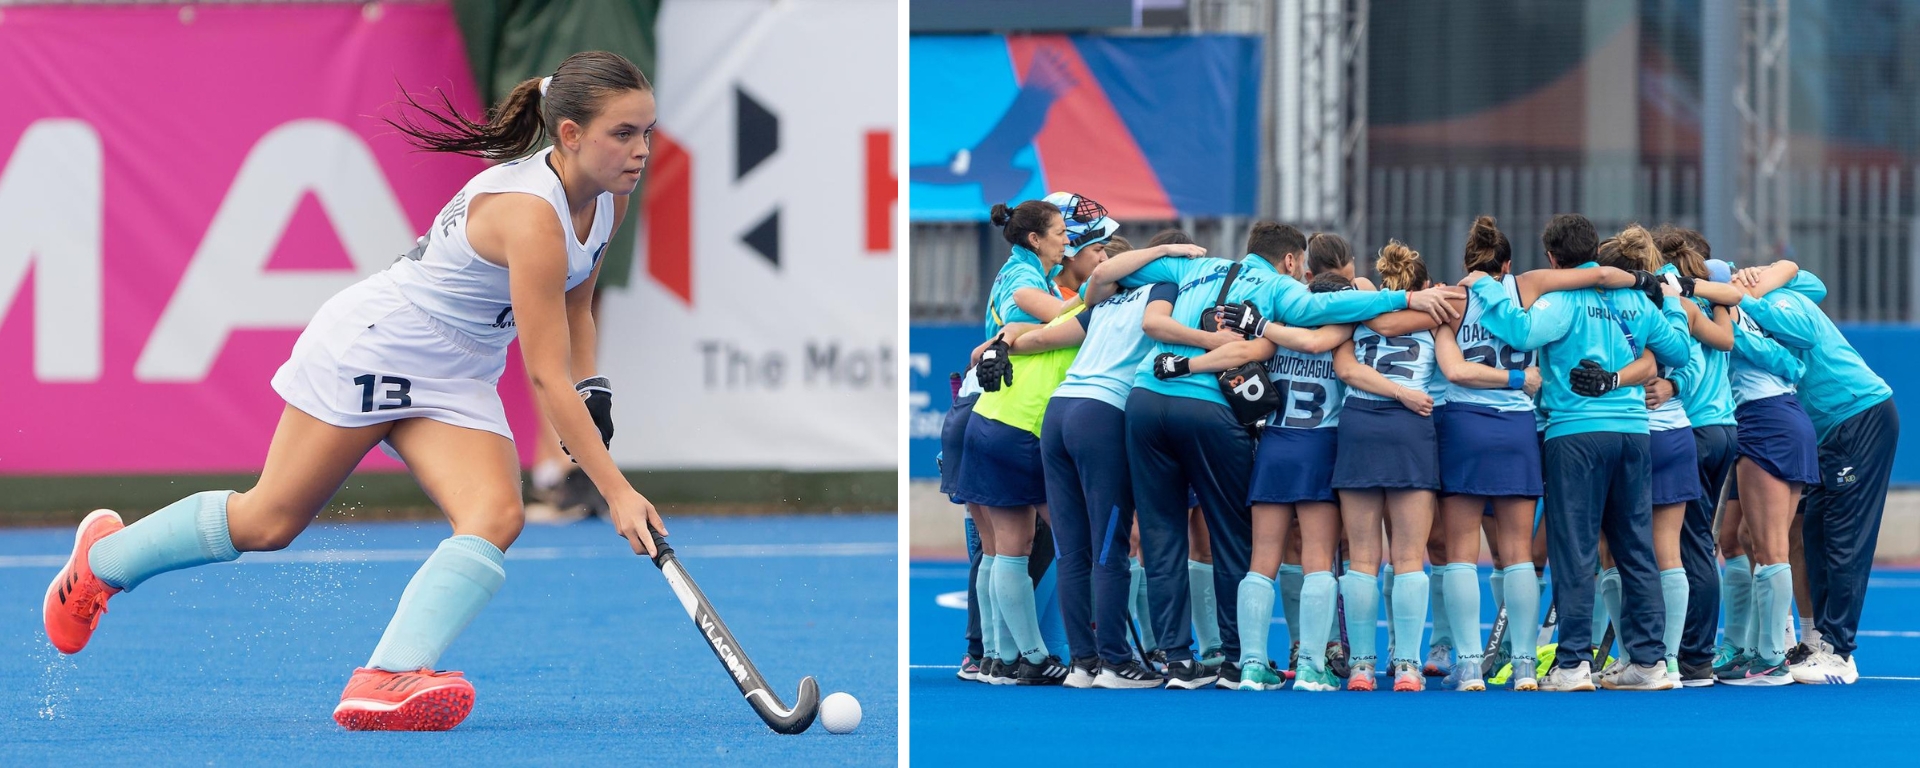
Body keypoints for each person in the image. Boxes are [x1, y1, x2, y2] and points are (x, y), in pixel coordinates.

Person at [43, 52, 665, 730]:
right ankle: (101, 563)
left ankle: (387, 675)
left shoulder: (608, 196)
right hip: (377, 344)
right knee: (268, 522)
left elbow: (577, 305)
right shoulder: (532, 218)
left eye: (647, 132)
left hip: (459, 371)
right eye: (623, 133)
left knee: (495, 515)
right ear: (570, 134)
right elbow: (544, 374)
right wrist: (616, 491)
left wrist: (593, 386)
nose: (641, 150)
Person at [1116, 222, 1461, 690]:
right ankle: (1325, 665)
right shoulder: (1343, 330)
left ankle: (1250, 665)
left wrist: (1188, 362)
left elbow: (1247, 351)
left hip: (1274, 446)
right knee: (1326, 558)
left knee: (1262, 561)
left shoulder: (1275, 333)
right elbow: (1336, 335)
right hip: (1320, 446)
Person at [1460, 214, 1692, 692]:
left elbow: (1521, 333)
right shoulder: (1635, 299)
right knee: (1636, 548)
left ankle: (1572, 664)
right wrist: (1670, 303)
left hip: (1575, 433)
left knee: (1575, 551)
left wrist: (1483, 287)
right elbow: (1678, 352)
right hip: (1634, 434)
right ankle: (1650, 662)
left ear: (1552, 258)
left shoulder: (1563, 299)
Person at [1711, 260, 1899, 685]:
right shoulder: (1769, 296)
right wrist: (1767, 278)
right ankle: (1817, 642)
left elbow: (1806, 326)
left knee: (1844, 538)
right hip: (1825, 429)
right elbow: (1811, 279)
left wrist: (1750, 296)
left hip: (1857, 414)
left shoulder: (1779, 300)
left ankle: (1839, 652)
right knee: (1814, 536)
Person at [1036, 234, 1209, 688]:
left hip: (1058, 412)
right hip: (1102, 415)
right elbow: (1161, 331)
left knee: (1071, 550)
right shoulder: (1166, 291)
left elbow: (1046, 336)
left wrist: (1003, 341)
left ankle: (1082, 664)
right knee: (1109, 546)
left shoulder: (1102, 302)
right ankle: (1114, 661)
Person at [1682, 262, 1816, 686]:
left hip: (1765, 421)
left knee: (1771, 546)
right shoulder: (1745, 314)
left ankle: (1772, 659)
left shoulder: (1724, 316)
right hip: (1780, 418)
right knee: (1745, 538)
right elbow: (1792, 365)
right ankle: (1753, 649)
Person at [1430, 217, 1544, 691]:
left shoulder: (1452, 299)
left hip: (1465, 425)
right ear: (1508, 264)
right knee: (1518, 554)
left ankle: (1470, 664)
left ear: (1467, 264)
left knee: (1461, 552)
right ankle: (1524, 664)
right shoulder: (1529, 289)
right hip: (1517, 427)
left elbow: (1453, 371)